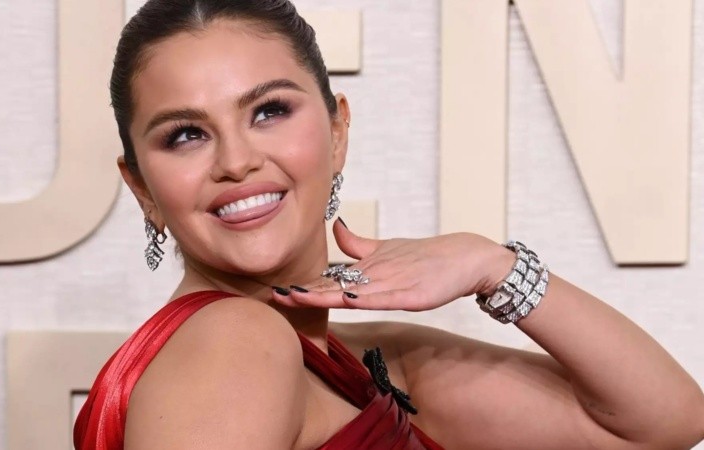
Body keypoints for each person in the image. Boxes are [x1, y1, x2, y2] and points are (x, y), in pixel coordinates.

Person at [73, 1, 704, 448]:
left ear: (338, 130)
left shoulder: (373, 360)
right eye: (185, 135)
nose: (236, 161)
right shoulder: (235, 342)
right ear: (142, 189)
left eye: (268, 111)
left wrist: (494, 267)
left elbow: (660, 423)